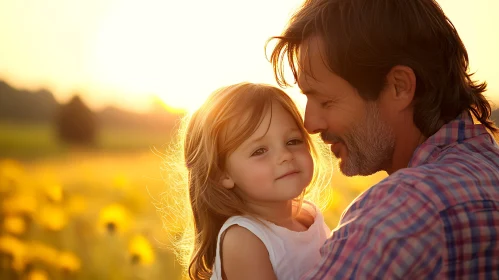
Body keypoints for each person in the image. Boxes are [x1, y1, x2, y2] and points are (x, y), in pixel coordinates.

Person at [267, 0, 499, 278]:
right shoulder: (489, 170)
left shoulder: (401, 210)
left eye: (326, 101)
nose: (310, 124)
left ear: (398, 87)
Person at [165, 82, 333, 280]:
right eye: (259, 151)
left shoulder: (309, 216)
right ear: (222, 174)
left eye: (293, 141)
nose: (285, 155)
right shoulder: (245, 239)